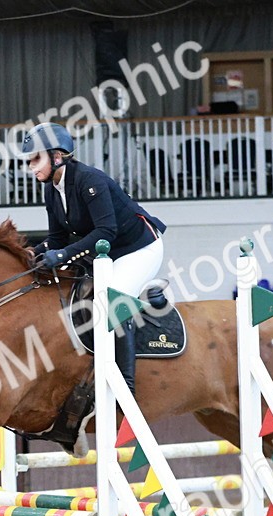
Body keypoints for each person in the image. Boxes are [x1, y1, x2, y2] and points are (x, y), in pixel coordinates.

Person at [20, 122, 167, 395]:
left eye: (36, 159)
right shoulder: (51, 189)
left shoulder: (90, 180)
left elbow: (106, 230)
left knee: (113, 302)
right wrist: (32, 252)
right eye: (29, 161)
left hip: (138, 249)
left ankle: (125, 387)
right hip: (106, 255)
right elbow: (57, 239)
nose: (31, 166)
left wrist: (61, 255)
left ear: (57, 156)